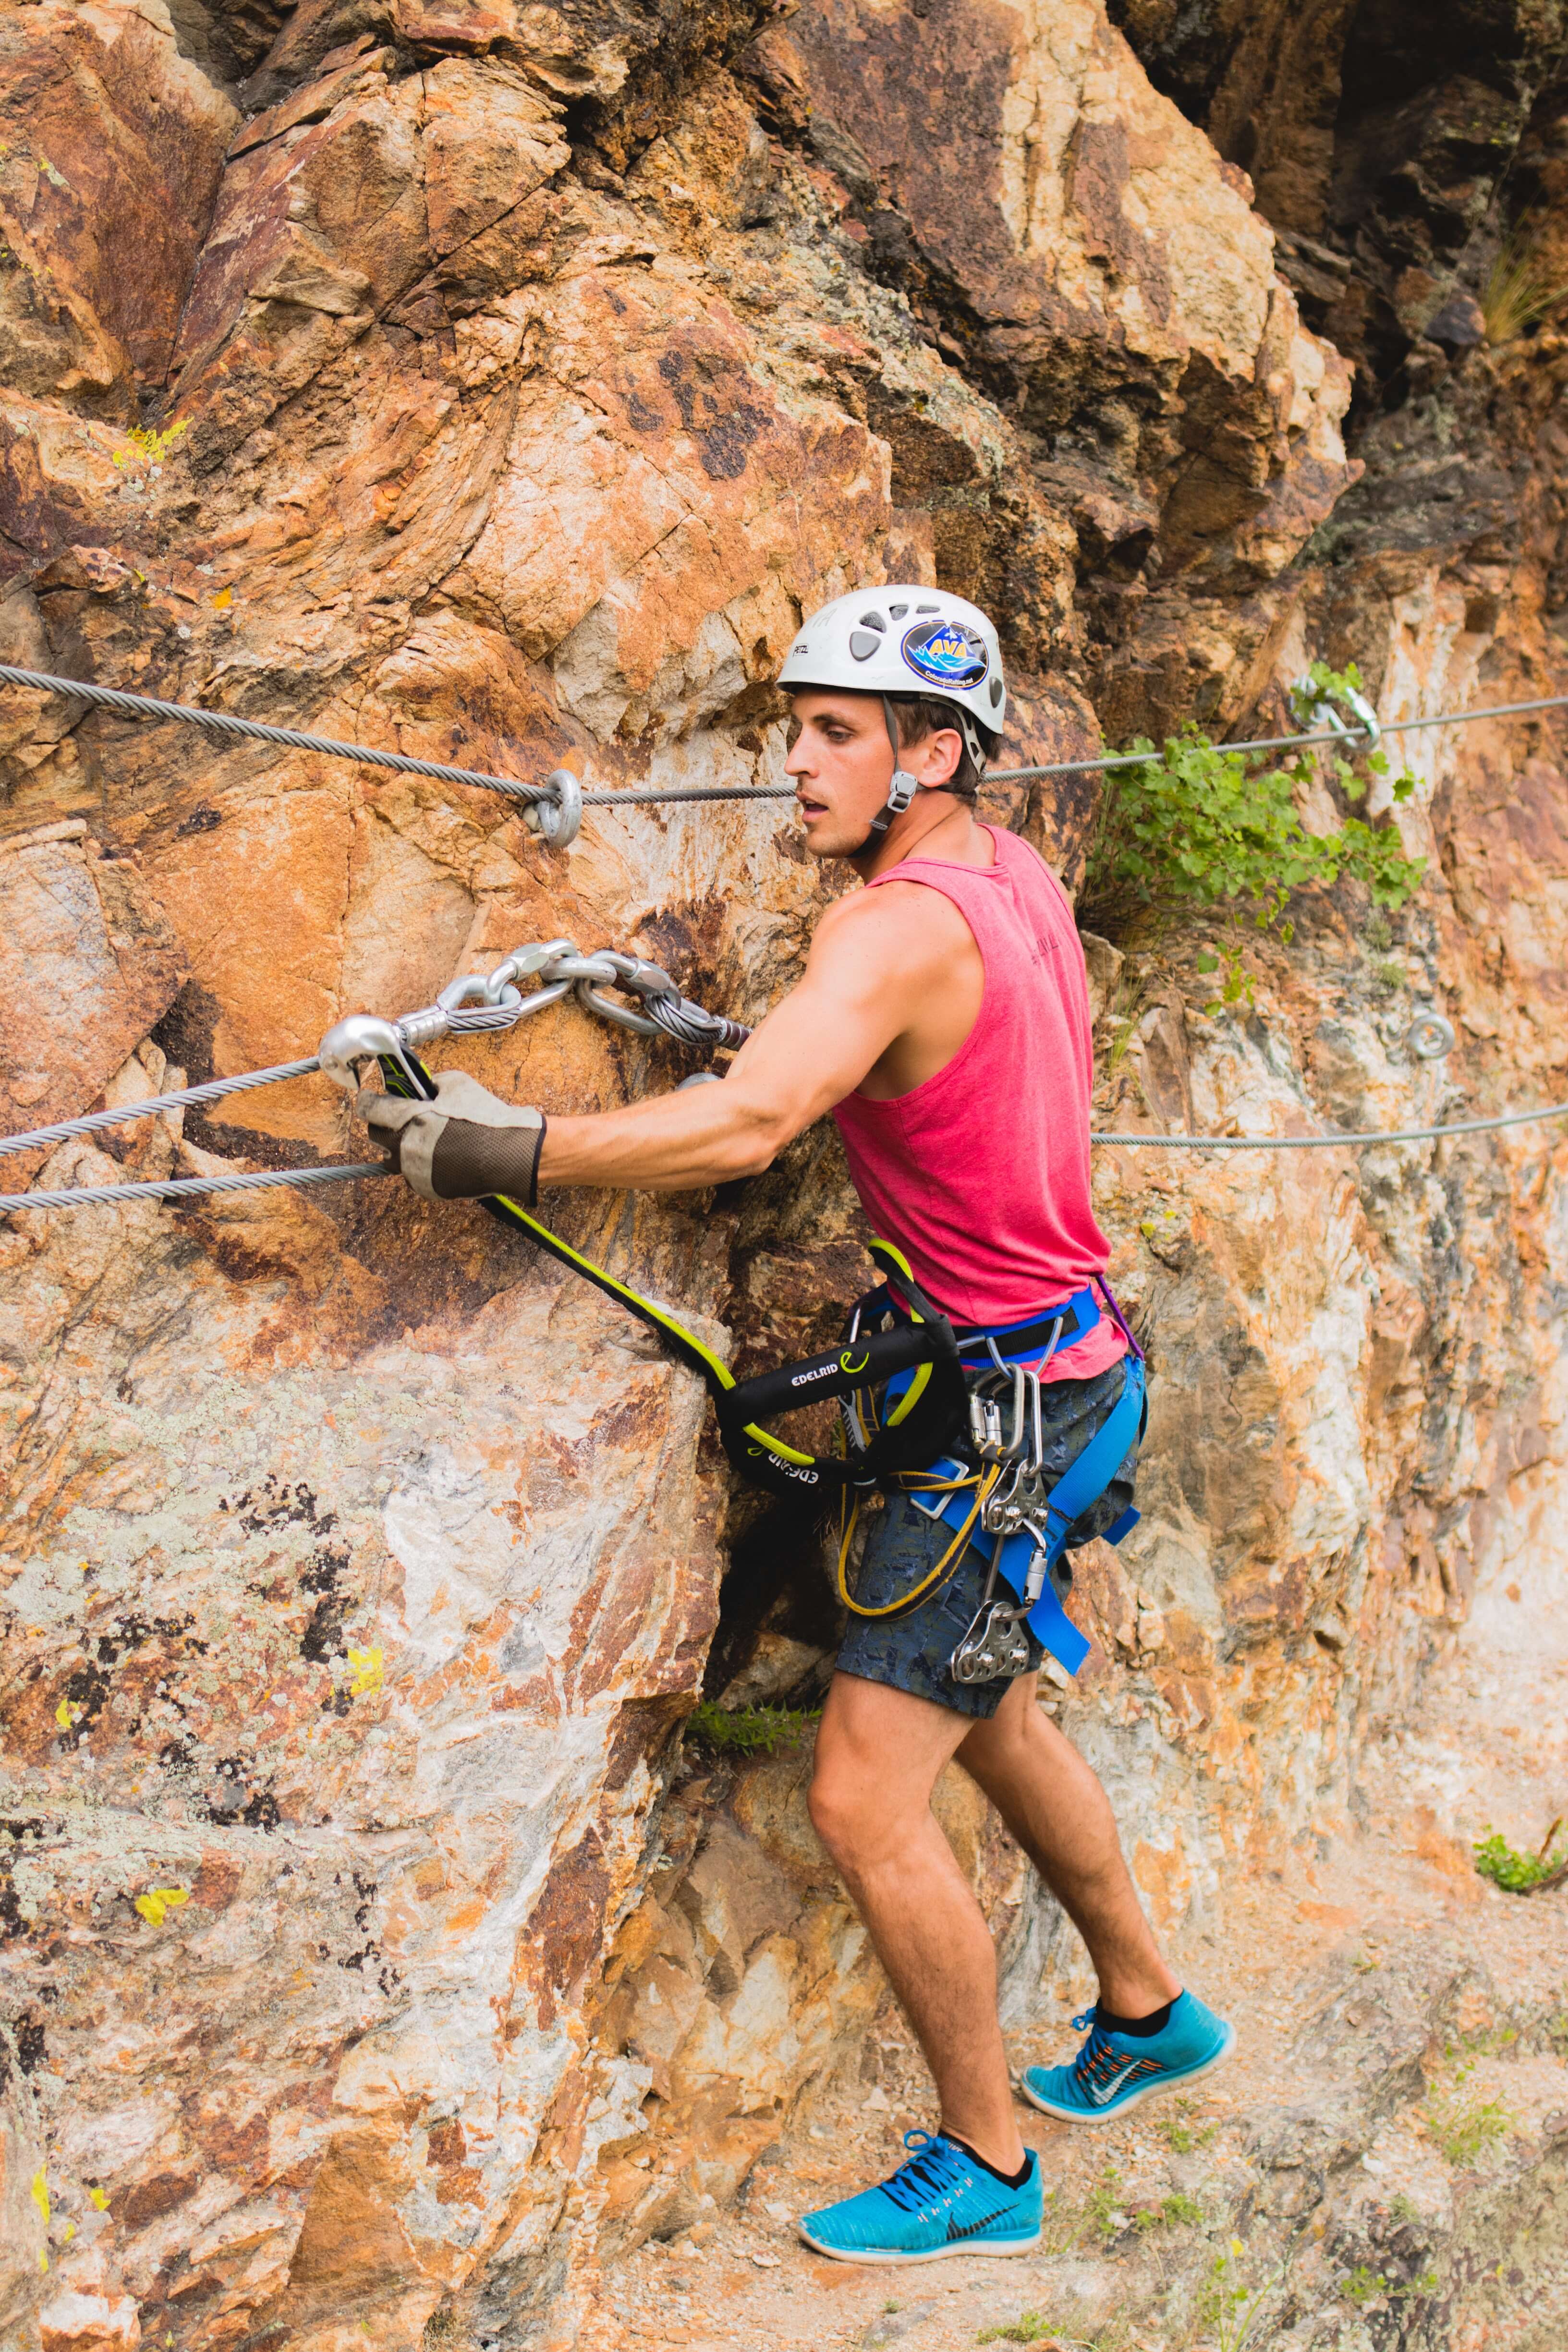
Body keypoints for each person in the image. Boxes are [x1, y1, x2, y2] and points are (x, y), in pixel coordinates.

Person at [356, 587, 1233, 2266]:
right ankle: (1150, 2010)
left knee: (859, 1795)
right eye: (798, 724)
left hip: (1004, 1411)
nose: (798, 762)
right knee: (971, 1710)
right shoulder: (1010, 876)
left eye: (838, 731)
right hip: (1065, 1365)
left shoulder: (896, 923)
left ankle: (986, 2166)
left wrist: (505, 1148)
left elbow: (755, 1119)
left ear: (935, 750)